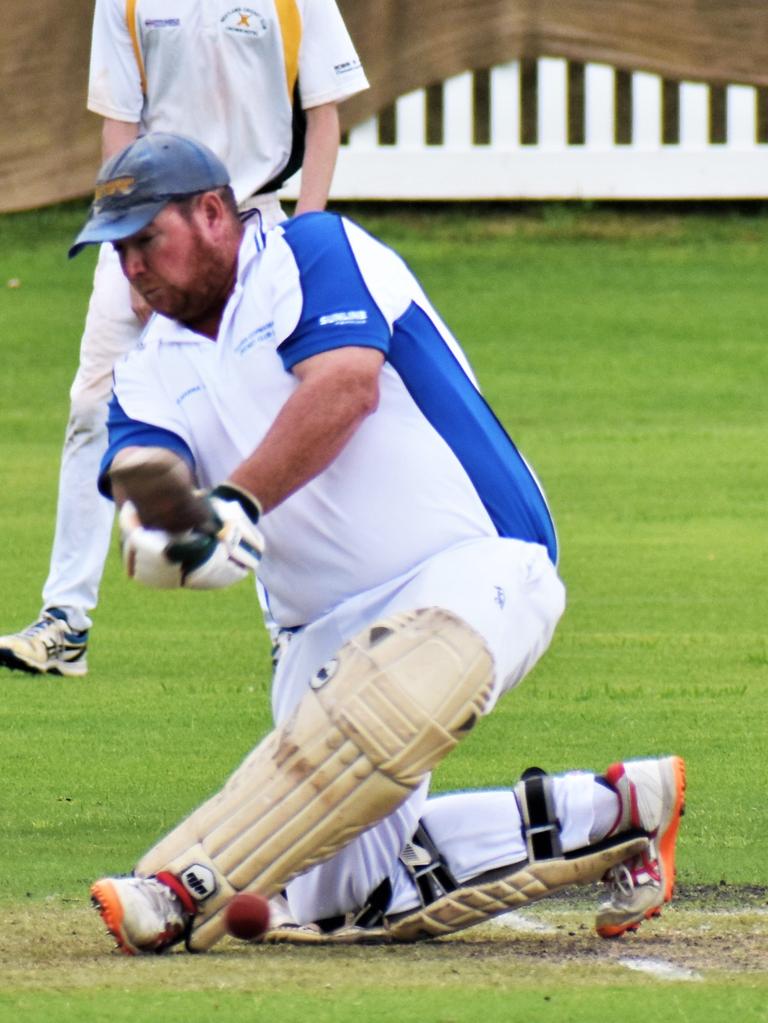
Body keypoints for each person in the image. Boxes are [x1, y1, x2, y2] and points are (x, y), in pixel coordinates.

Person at [69, 133, 685, 954]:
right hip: (316, 633)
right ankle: (621, 810)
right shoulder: (145, 369)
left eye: (147, 239)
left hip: (475, 562)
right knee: (348, 896)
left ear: (214, 212)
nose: (132, 266)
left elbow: (345, 388)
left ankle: (181, 881)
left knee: (392, 695)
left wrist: (236, 503)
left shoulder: (314, 253)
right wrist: (162, 532)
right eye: (119, 250)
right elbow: (149, 477)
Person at [0, 0, 368, 677]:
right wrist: (129, 249)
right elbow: (121, 127)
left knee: (268, 419)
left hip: (256, 224)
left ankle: (293, 625)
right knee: (91, 407)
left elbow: (324, 117)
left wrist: (304, 239)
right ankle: (65, 621)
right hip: (146, 222)